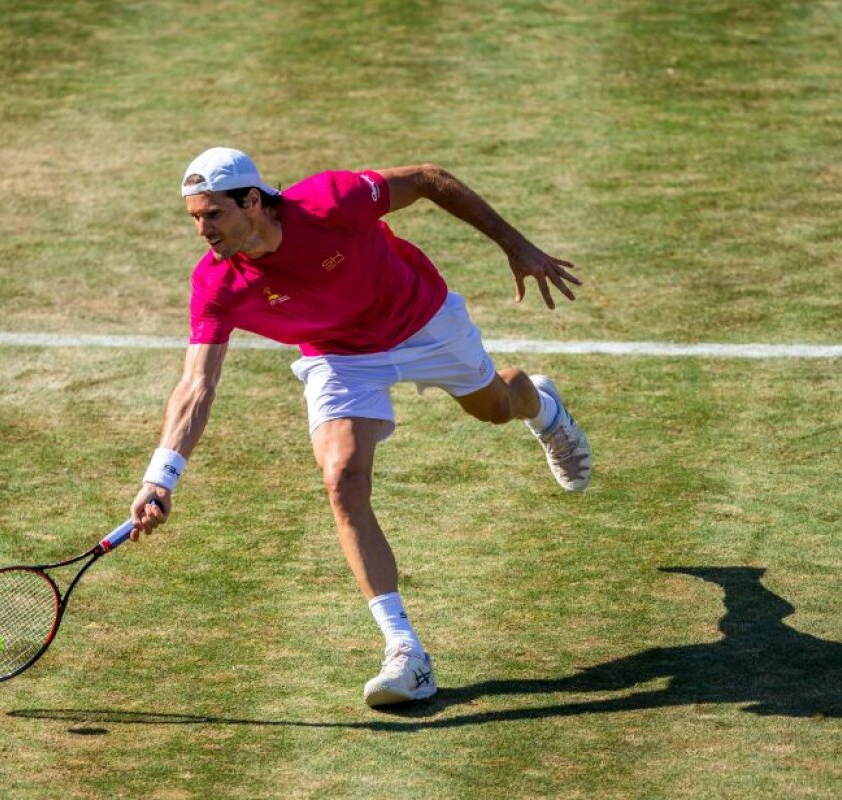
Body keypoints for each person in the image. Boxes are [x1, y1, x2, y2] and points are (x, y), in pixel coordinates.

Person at [128, 147, 591, 707]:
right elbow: (196, 386)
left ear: (252, 200)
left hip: (421, 320)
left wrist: (514, 245)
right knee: (342, 476)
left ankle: (540, 407)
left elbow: (428, 179)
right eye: (195, 218)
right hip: (340, 356)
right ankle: (406, 652)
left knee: (496, 406)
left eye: (212, 215)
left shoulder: (328, 202)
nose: (202, 229)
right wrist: (161, 477)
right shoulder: (217, 284)